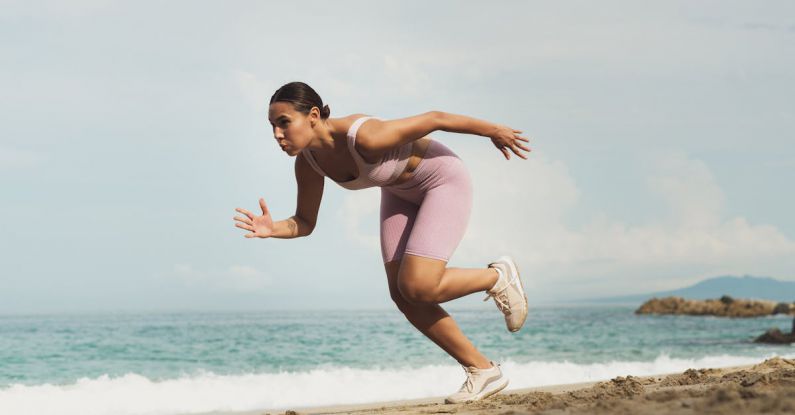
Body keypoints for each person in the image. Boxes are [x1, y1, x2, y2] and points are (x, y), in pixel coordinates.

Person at [233, 82, 531, 403]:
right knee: (402, 294)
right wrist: (272, 228)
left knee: (419, 286)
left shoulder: (365, 136)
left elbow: (436, 118)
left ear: (314, 116)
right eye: (272, 126)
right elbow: (304, 223)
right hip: (398, 191)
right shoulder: (309, 163)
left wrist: (494, 131)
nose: (277, 134)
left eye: (284, 122)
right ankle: (483, 370)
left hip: (441, 180)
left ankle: (497, 277)